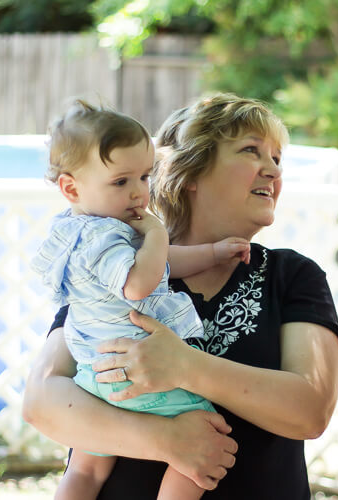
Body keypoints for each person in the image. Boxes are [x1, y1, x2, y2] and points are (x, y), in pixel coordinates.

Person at [23, 93, 338, 499]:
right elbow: (42, 401)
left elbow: (310, 411)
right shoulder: (117, 264)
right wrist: (165, 439)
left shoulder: (292, 275)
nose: (272, 170)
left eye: (277, 158)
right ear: (190, 171)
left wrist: (184, 366)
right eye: (252, 151)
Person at [30, 100, 252, 500]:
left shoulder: (73, 230)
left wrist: (214, 253)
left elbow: (165, 264)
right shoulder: (105, 238)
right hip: (139, 372)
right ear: (71, 187)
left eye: (145, 177)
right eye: (120, 182)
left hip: (95, 376)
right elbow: (139, 284)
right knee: (202, 438)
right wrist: (156, 234)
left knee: (85, 469)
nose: (138, 192)